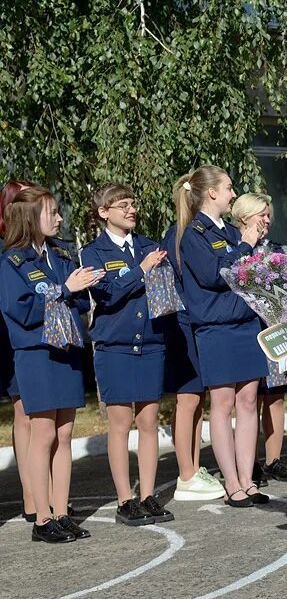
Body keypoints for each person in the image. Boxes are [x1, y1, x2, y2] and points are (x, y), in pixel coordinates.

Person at [2, 186, 102, 542]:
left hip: (66, 351)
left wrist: (72, 292)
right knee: (43, 433)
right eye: (52, 212)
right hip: (37, 354)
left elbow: (80, 306)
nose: (59, 218)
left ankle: (62, 512)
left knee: (64, 434)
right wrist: (64, 291)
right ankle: (41, 518)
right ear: (31, 218)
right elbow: (21, 311)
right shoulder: (12, 262)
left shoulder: (60, 257)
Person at [175, 165, 269, 507]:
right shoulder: (194, 234)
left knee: (247, 402)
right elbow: (218, 274)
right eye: (228, 188)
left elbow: (250, 272)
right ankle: (231, 482)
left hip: (245, 324)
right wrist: (245, 246)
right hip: (216, 329)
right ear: (211, 192)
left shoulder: (229, 231)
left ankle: (247, 479)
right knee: (223, 403)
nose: (233, 194)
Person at [81, 183, 175, 525]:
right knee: (120, 424)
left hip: (150, 343)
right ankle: (125, 499)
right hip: (115, 347)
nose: (131, 209)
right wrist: (141, 270)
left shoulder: (149, 246)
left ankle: (148, 495)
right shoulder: (94, 252)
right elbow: (106, 295)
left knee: (149, 422)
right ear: (104, 212)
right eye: (122, 205)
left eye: (132, 203)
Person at [229, 192, 287, 485]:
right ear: (245, 217)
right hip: (246, 331)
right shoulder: (234, 248)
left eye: (269, 215)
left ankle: (274, 459)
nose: (268, 221)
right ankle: (251, 462)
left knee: (275, 394)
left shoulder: (274, 250)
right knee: (248, 399)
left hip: (274, 328)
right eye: (262, 215)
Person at [162, 176, 223, 503]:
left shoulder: (192, 234)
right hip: (181, 324)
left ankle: (194, 467)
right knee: (187, 399)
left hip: (195, 322)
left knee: (198, 399)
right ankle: (185, 472)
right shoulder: (178, 236)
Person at [0, 179, 41, 524]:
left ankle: (37, 496)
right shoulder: (7, 251)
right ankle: (31, 496)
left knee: (30, 412)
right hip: (8, 336)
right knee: (23, 413)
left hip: (21, 336)